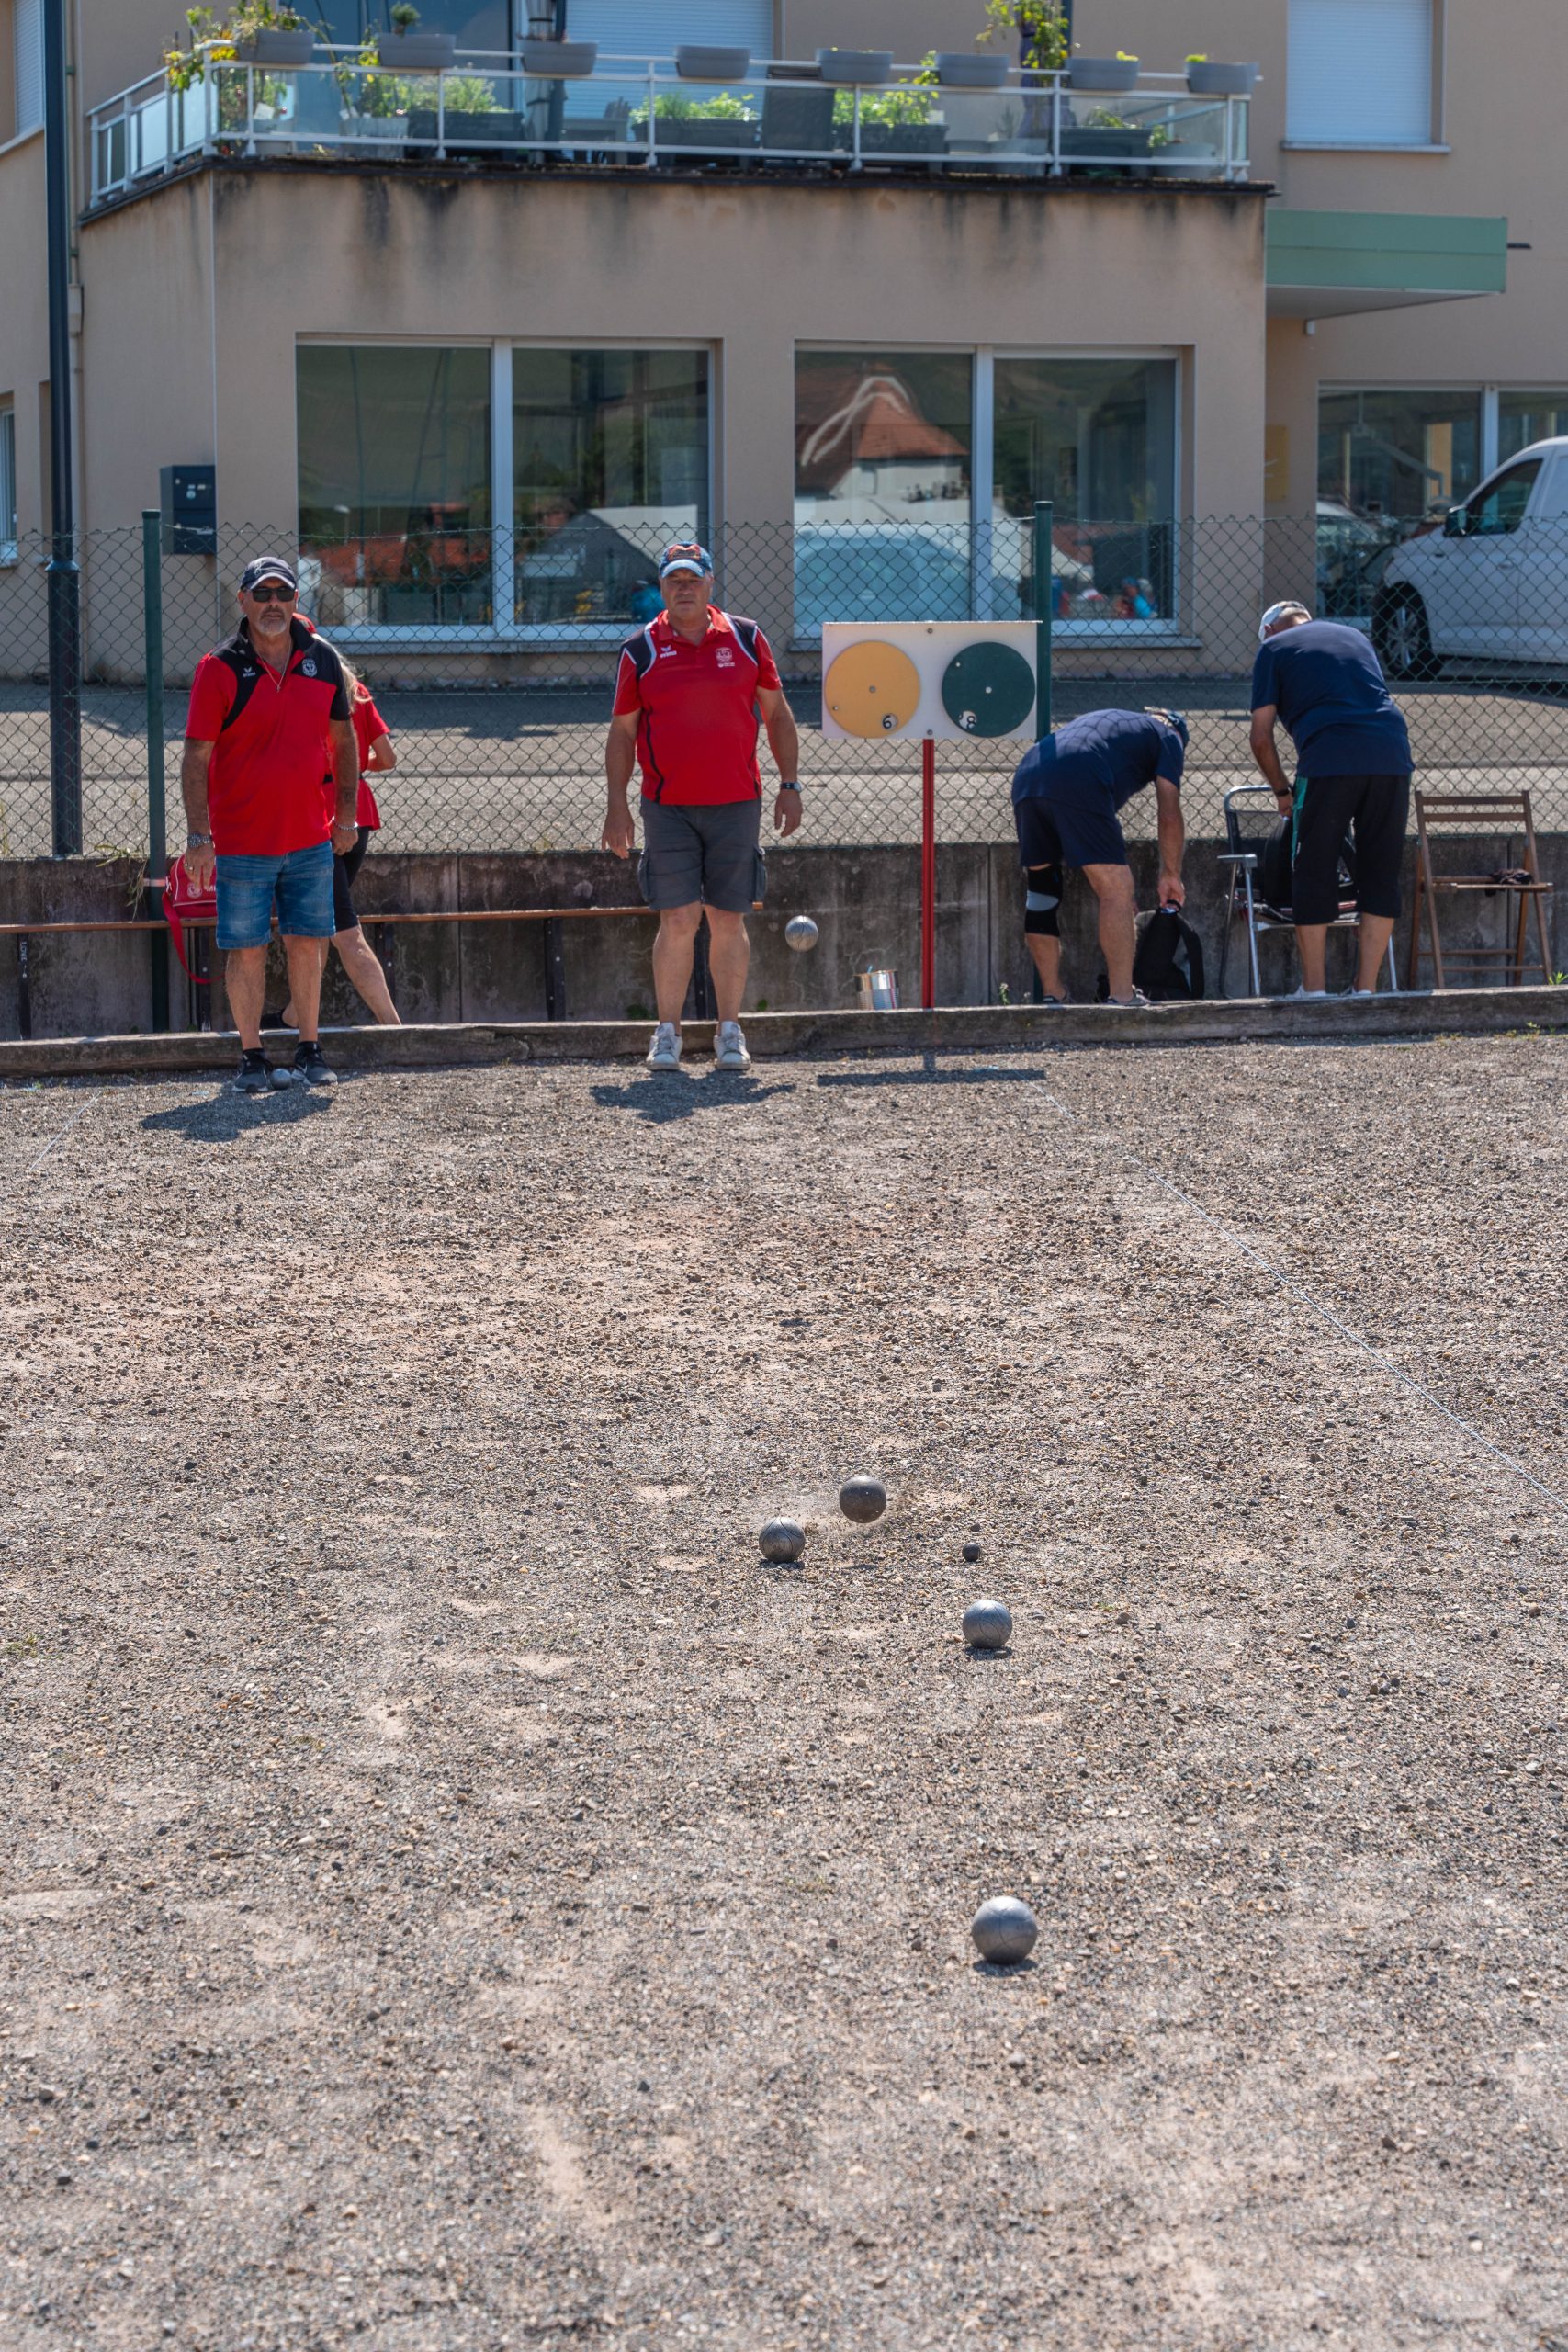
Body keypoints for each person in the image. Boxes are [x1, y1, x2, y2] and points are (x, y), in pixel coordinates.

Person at [601, 541, 802, 1072]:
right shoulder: (639, 649)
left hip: (737, 800)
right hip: (666, 806)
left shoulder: (746, 637)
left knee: (728, 917)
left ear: (710, 583)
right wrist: (615, 806)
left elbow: (778, 715)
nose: (683, 587)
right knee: (679, 917)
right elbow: (622, 734)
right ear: (661, 588)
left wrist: (791, 783)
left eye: (692, 578)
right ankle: (666, 1033)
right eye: (673, 580)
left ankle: (729, 1032)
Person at [181, 556, 358, 1093]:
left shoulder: (322, 659)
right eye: (263, 594)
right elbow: (195, 757)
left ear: (297, 601)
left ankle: (309, 1049)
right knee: (247, 950)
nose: (274, 603)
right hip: (241, 844)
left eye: (283, 592)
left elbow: (345, 741)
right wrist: (199, 837)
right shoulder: (220, 667)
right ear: (243, 602)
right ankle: (252, 1057)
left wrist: (346, 815)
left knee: (309, 944)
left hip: (309, 838)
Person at [1249, 600, 1413, 998]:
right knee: (1379, 871)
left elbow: (1260, 736)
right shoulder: (1356, 637)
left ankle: (1315, 991)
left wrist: (1282, 791)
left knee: (1313, 869)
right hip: (1391, 754)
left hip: (1330, 759)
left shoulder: (1272, 649)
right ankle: (1366, 990)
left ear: (1270, 630)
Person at [1010, 707, 1188, 1005]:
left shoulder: (1116, 724)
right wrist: (1171, 873)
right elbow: (1169, 812)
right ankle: (1122, 997)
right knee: (1116, 891)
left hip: (1030, 770)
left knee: (1042, 892)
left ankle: (1053, 996)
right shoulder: (1169, 736)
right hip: (1080, 773)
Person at [280, 651, 400, 1030]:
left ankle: (395, 1028)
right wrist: (358, 765)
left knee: (345, 931)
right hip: (359, 808)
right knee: (323, 921)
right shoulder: (355, 690)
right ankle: (292, 1017)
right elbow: (388, 757)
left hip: (322, 814)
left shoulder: (302, 690)